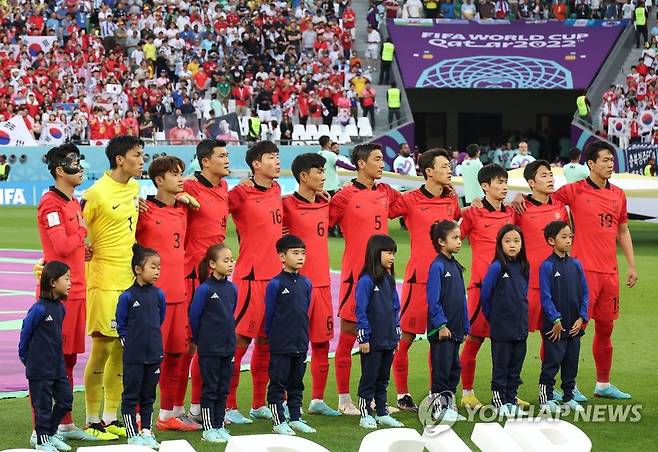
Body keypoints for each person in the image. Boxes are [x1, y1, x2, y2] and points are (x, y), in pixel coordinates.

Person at [513, 141, 637, 399]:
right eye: (604, 160)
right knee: (569, 329)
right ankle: (563, 385)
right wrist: (518, 197)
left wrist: (631, 265)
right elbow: (541, 199)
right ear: (590, 164)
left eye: (612, 159)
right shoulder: (573, 191)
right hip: (581, 273)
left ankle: (603, 384)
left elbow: (622, 230)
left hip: (610, 273)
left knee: (606, 328)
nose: (610, 164)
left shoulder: (619, 194)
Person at [329, 144, 401, 415]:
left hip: (383, 278)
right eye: (378, 159)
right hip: (355, 277)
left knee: (380, 335)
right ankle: (344, 399)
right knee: (350, 335)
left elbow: (410, 202)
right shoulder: (345, 195)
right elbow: (320, 218)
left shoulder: (386, 192)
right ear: (361, 164)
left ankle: (372, 397)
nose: (382, 163)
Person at [82, 136, 144, 439]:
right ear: (120, 159)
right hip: (103, 281)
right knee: (102, 347)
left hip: (127, 280)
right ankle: (91, 419)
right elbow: (76, 227)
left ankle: (110, 417)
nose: (141, 160)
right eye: (137, 155)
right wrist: (83, 248)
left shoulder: (134, 188)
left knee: (121, 349)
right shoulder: (95, 193)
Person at [388, 149, 460, 411]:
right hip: (419, 279)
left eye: (449, 165)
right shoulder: (410, 200)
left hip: (448, 280)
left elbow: (459, 222)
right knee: (405, 338)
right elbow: (383, 211)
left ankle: (437, 392)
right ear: (428, 171)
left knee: (441, 339)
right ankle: (402, 394)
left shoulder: (452, 200)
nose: (449, 169)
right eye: (444, 165)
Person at [34, 145, 97, 443]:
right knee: (50, 363)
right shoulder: (51, 204)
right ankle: (40, 431)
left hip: (76, 290)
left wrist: (82, 250)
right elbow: (59, 246)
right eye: (74, 162)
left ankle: (64, 423)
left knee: (68, 361)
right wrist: (82, 233)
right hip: (56, 296)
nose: (80, 166)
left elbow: (68, 248)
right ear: (60, 170)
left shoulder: (71, 202)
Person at [135, 156, 201, 432]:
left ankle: (166, 415)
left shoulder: (184, 210)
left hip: (179, 294)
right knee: (148, 358)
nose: (180, 178)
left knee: (176, 355)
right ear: (159, 180)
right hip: (153, 298)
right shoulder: (143, 210)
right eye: (174, 174)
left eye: (180, 173)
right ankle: (138, 414)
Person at [226, 141, 283, 423]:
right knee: (238, 343)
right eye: (271, 157)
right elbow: (214, 209)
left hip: (275, 279)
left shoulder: (276, 189)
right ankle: (228, 406)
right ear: (256, 165)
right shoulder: (239, 193)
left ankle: (258, 403)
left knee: (267, 343)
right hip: (250, 278)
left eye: (277, 156)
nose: (277, 161)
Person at [283, 154, 341, 416]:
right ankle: (282, 401)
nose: (323, 175)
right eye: (319, 171)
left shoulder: (325, 204)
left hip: (322, 285)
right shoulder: (285, 206)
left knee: (322, 343)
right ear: (304, 176)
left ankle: (317, 400)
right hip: (296, 286)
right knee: (291, 345)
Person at [459, 164, 518, 409]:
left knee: (506, 343)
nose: (504, 187)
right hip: (481, 288)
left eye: (506, 182)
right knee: (474, 340)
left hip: (509, 290)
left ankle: (506, 393)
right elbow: (453, 239)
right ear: (485, 186)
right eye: (499, 182)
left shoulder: (512, 213)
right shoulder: (473, 214)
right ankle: (467, 393)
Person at [180, 140, 230, 424]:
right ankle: (173, 409)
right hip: (193, 276)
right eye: (221, 156)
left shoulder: (223, 188)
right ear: (205, 161)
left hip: (218, 278)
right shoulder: (189, 186)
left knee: (208, 345)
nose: (226, 159)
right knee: (188, 345)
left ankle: (199, 408)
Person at [513, 161, 573, 396]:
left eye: (551, 175)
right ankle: (510, 390)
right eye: (544, 175)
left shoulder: (560, 205)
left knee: (553, 335)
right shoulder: (519, 208)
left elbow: (567, 240)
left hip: (556, 283)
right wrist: (517, 196)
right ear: (531, 183)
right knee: (517, 337)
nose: (550, 179)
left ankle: (548, 386)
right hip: (528, 283)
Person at [19, 261, 74, 452]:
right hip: (39, 368)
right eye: (66, 279)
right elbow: (25, 334)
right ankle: (42, 441)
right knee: (42, 408)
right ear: (52, 283)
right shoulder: (39, 309)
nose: (70, 283)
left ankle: (48, 434)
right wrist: (26, 358)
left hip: (57, 366)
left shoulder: (60, 308)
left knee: (66, 400)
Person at [265, 235, 317, 435]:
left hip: (300, 342)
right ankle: (278, 421)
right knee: (278, 383)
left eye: (303, 253)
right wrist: (274, 338)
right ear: (282, 257)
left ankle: (295, 417)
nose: (301, 257)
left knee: (297, 383)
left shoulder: (306, 283)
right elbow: (269, 315)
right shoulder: (275, 284)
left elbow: (304, 312)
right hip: (281, 343)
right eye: (295, 253)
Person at [116, 245, 166, 449]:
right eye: (153, 267)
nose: (157, 271)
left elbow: (159, 319)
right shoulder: (127, 297)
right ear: (138, 269)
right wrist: (132, 347)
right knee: (130, 395)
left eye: (159, 267)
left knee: (148, 395)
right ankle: (132, 434)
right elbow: (121, 326)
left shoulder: (159, 294)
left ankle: (146, 430)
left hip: (153, 355)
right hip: (134, 357)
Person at [538, 221, 589, 414]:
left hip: (574, 325)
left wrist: (581, 317)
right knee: (552, 362)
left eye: (570, 237)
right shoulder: (547, 266)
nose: (568, 241)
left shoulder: (576, 264)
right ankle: (547, 397)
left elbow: (585, 292)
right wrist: (555, 319)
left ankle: (569, 396)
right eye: (564, 237)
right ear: (551, 240)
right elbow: (545, 296)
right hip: (555, 327)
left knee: (571, 362)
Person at [188, 244, 237, 443]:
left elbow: (229, 314)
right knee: (210, 387)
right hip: (209, 348)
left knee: (223, 387)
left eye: (231, 260)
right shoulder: (205, 290)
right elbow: (194, 317)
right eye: (225, 261)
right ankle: (208, 428)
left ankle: (219, 424)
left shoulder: (232, 288)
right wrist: (203, 340)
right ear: (212, 264)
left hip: (227, 347)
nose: (230, 264)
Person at [480, 224, 530, 417]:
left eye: (516, 241)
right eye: (508, 241)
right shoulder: (496, 267)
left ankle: (511, 399)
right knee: (501, 366)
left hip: (520, 327)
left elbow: (523, 294)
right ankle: (498, 401)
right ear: (500, 244)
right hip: (501, 328)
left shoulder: (524, 266)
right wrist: (493, 318)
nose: (512, 245)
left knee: (515, 367)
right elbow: (486, 295)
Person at [355, 235, 404, 429]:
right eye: (389, 253)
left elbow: (395, 308)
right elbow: (361, 310)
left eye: (393, 253)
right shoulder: (366, 281)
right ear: (376, 253)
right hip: (372, 341)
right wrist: (364, 337)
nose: (392, 257)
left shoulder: (389, 279)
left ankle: (382, 412)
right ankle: (365, 412)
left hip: (388, 339)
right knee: (369, 377)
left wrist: (396, 334)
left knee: (383, 379)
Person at [426, 220, 469, 423]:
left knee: (454, 368)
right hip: (443, 331)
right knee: (442, 369)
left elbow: (461, 299)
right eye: (455, 238)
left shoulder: (456, 265)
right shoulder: (437, 266)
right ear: (442, 241)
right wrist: (441, 325)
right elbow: (433, 300)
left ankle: (449, 405)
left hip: (456, 329)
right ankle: (437, 407)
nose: (460, 241)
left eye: (460, 237)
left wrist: (465, 325)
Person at [318, 136, 355, 237]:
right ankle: (339, 230)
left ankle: (328, 230)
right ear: (327, 143)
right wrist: (355, 169)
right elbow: (342, 164)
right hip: (331, 186)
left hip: (321, 187)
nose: (331, 142)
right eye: (330, 141)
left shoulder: (318, 154)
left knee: (324, 210)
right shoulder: (330, 154)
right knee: (338, 209)